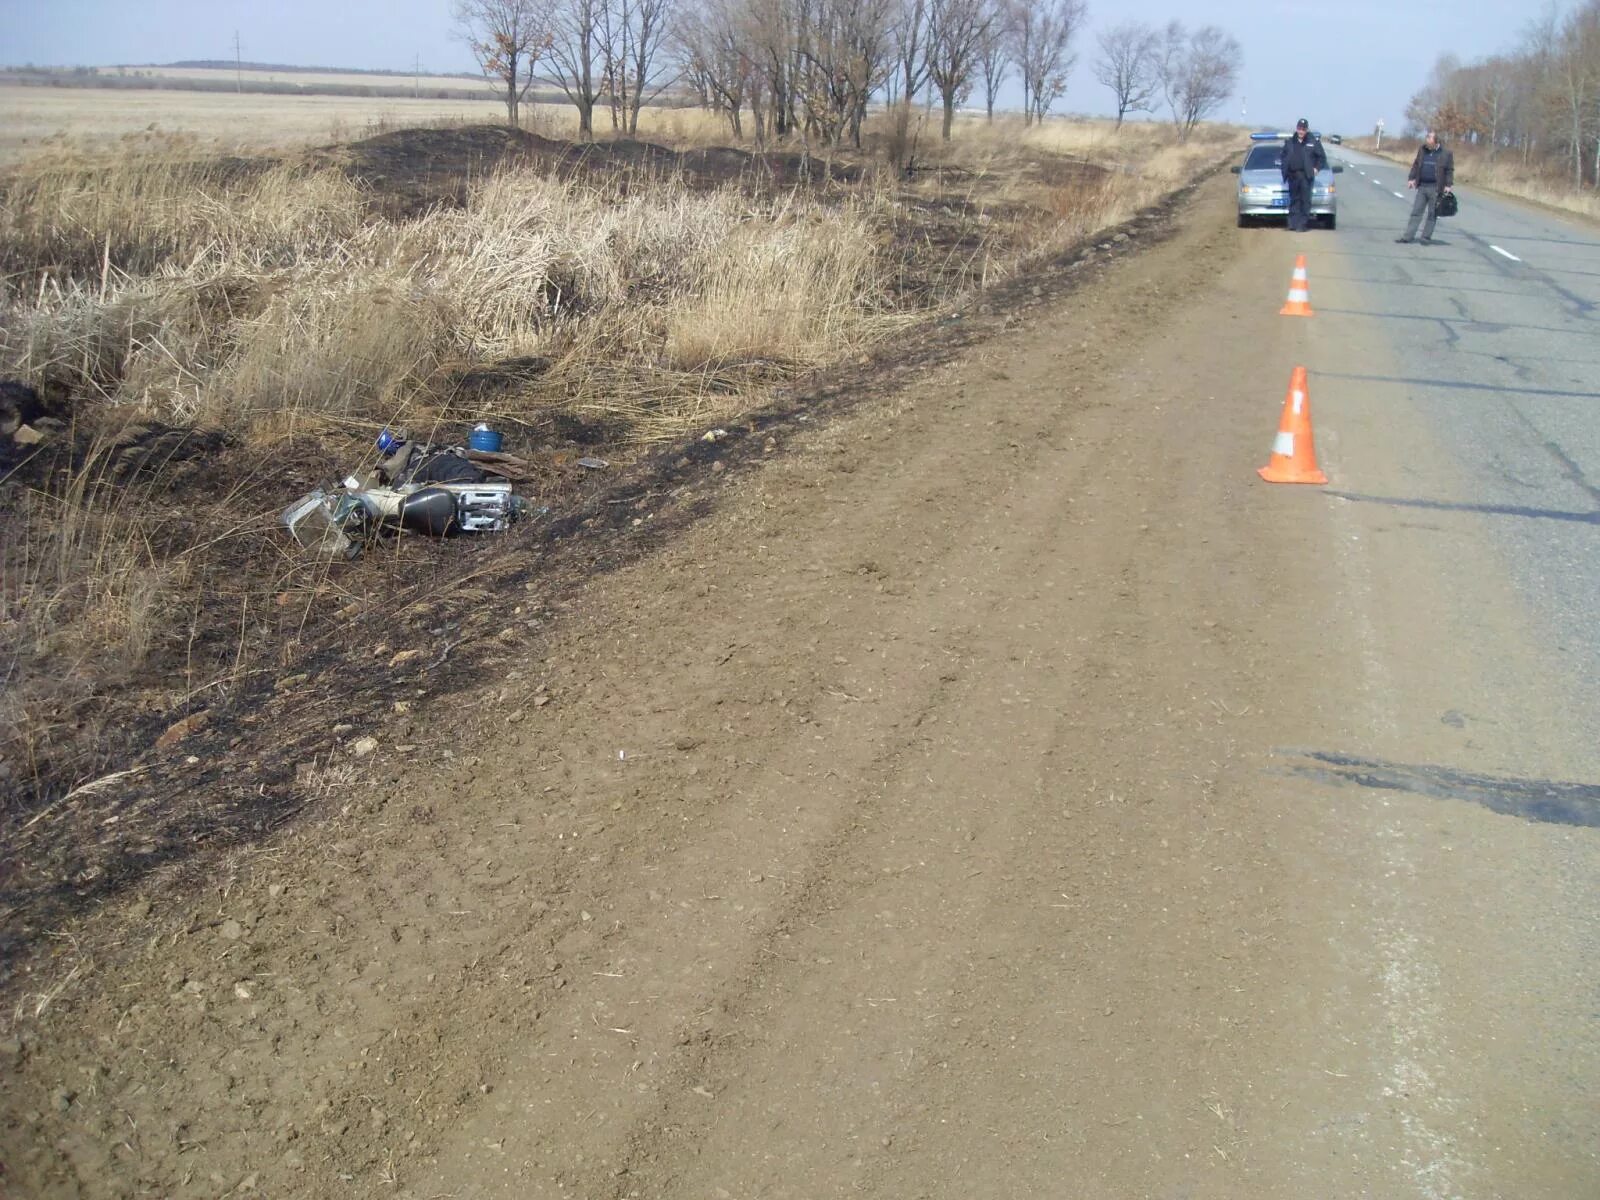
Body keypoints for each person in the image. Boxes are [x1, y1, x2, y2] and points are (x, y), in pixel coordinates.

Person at [1396, 130, 1454, 244]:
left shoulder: (1446, 153)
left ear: (1436, 140)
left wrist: (1448, 185)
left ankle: (1425, 237)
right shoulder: (1422, 150)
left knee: (1432, 213)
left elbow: (1449, 170)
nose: (1427, 140)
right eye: (1427, 137)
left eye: (1429, 138)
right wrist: (1411, 178)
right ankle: (1408, 237)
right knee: (1416, 212)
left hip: (1436, 188)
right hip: (1422, 186)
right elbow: (1416, 164)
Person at [1280, 119, 1327, 233]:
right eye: (1299, 128)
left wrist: (1316, 168)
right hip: (1293, 176)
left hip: (1306, 176)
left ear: (1307, 129)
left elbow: (1322, 158)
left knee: (1305, 201)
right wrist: (1285, 167)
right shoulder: (1290, 142)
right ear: (1296, 128)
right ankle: (1292, 223)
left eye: (1303, 129)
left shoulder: (1313, 142)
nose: (1301, 131)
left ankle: (1302, 225)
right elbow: (1283, 156)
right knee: (1294, 200)